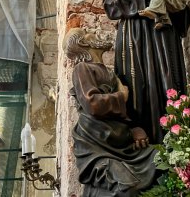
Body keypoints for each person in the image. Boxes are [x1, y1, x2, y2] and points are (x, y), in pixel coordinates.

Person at [103, 0, 187, 144]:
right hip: (133, 38)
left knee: (167, 81)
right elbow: (111, 7)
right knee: (136, 86)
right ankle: (139, 135)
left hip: (163, 36)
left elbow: (183, 9)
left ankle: (177, 141)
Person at [63, 28, 156, 197]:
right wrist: (122, 95)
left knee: (161, 159)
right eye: (87, 32)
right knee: (126, 187)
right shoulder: (82, 68)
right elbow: (93, 105)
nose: (94, 32)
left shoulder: (110, 73)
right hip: (97, 145)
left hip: (121, 141)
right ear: (84, 43)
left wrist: (134, 130)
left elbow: (122, 113)